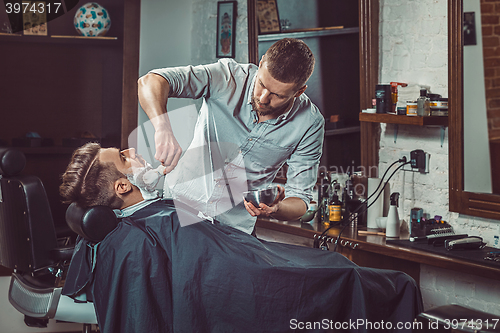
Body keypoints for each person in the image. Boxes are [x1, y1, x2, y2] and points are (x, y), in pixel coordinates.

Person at [60, 143, 423, 333]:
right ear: (124, 185)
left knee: (346, 269)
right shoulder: (156, 226)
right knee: (393, 283)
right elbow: (240, 274)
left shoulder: (142, 222)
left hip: (258, 263)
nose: (133, 153)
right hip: (268, 278)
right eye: (125, 157)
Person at [137, 38, 324, 235]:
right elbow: (151, 81)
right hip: (178, 207)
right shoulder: (227, 76)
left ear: (299, 91)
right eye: (261, 84)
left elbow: (300, 200)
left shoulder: (310, 124)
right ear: (260, 65)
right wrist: (162, 127)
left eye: (278, 95)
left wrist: (277, 209)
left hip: (235, 229)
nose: (263, 98)